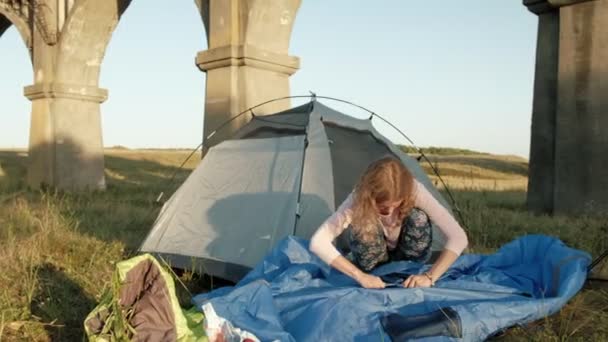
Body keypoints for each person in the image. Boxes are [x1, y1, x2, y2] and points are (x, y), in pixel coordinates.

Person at [309, 156, 468, 289]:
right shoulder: (360, 196)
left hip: (409, 259)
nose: (390, 211)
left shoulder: (414, 190)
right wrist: (360, 276)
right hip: (374, 262)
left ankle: (407, 270)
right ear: (370, 195)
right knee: (364, 221)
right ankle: (374, 272)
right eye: (383, 207)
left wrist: (429, 276)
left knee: (418, 217)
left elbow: (458, 237)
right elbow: (318, 242)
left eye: (396, 204)